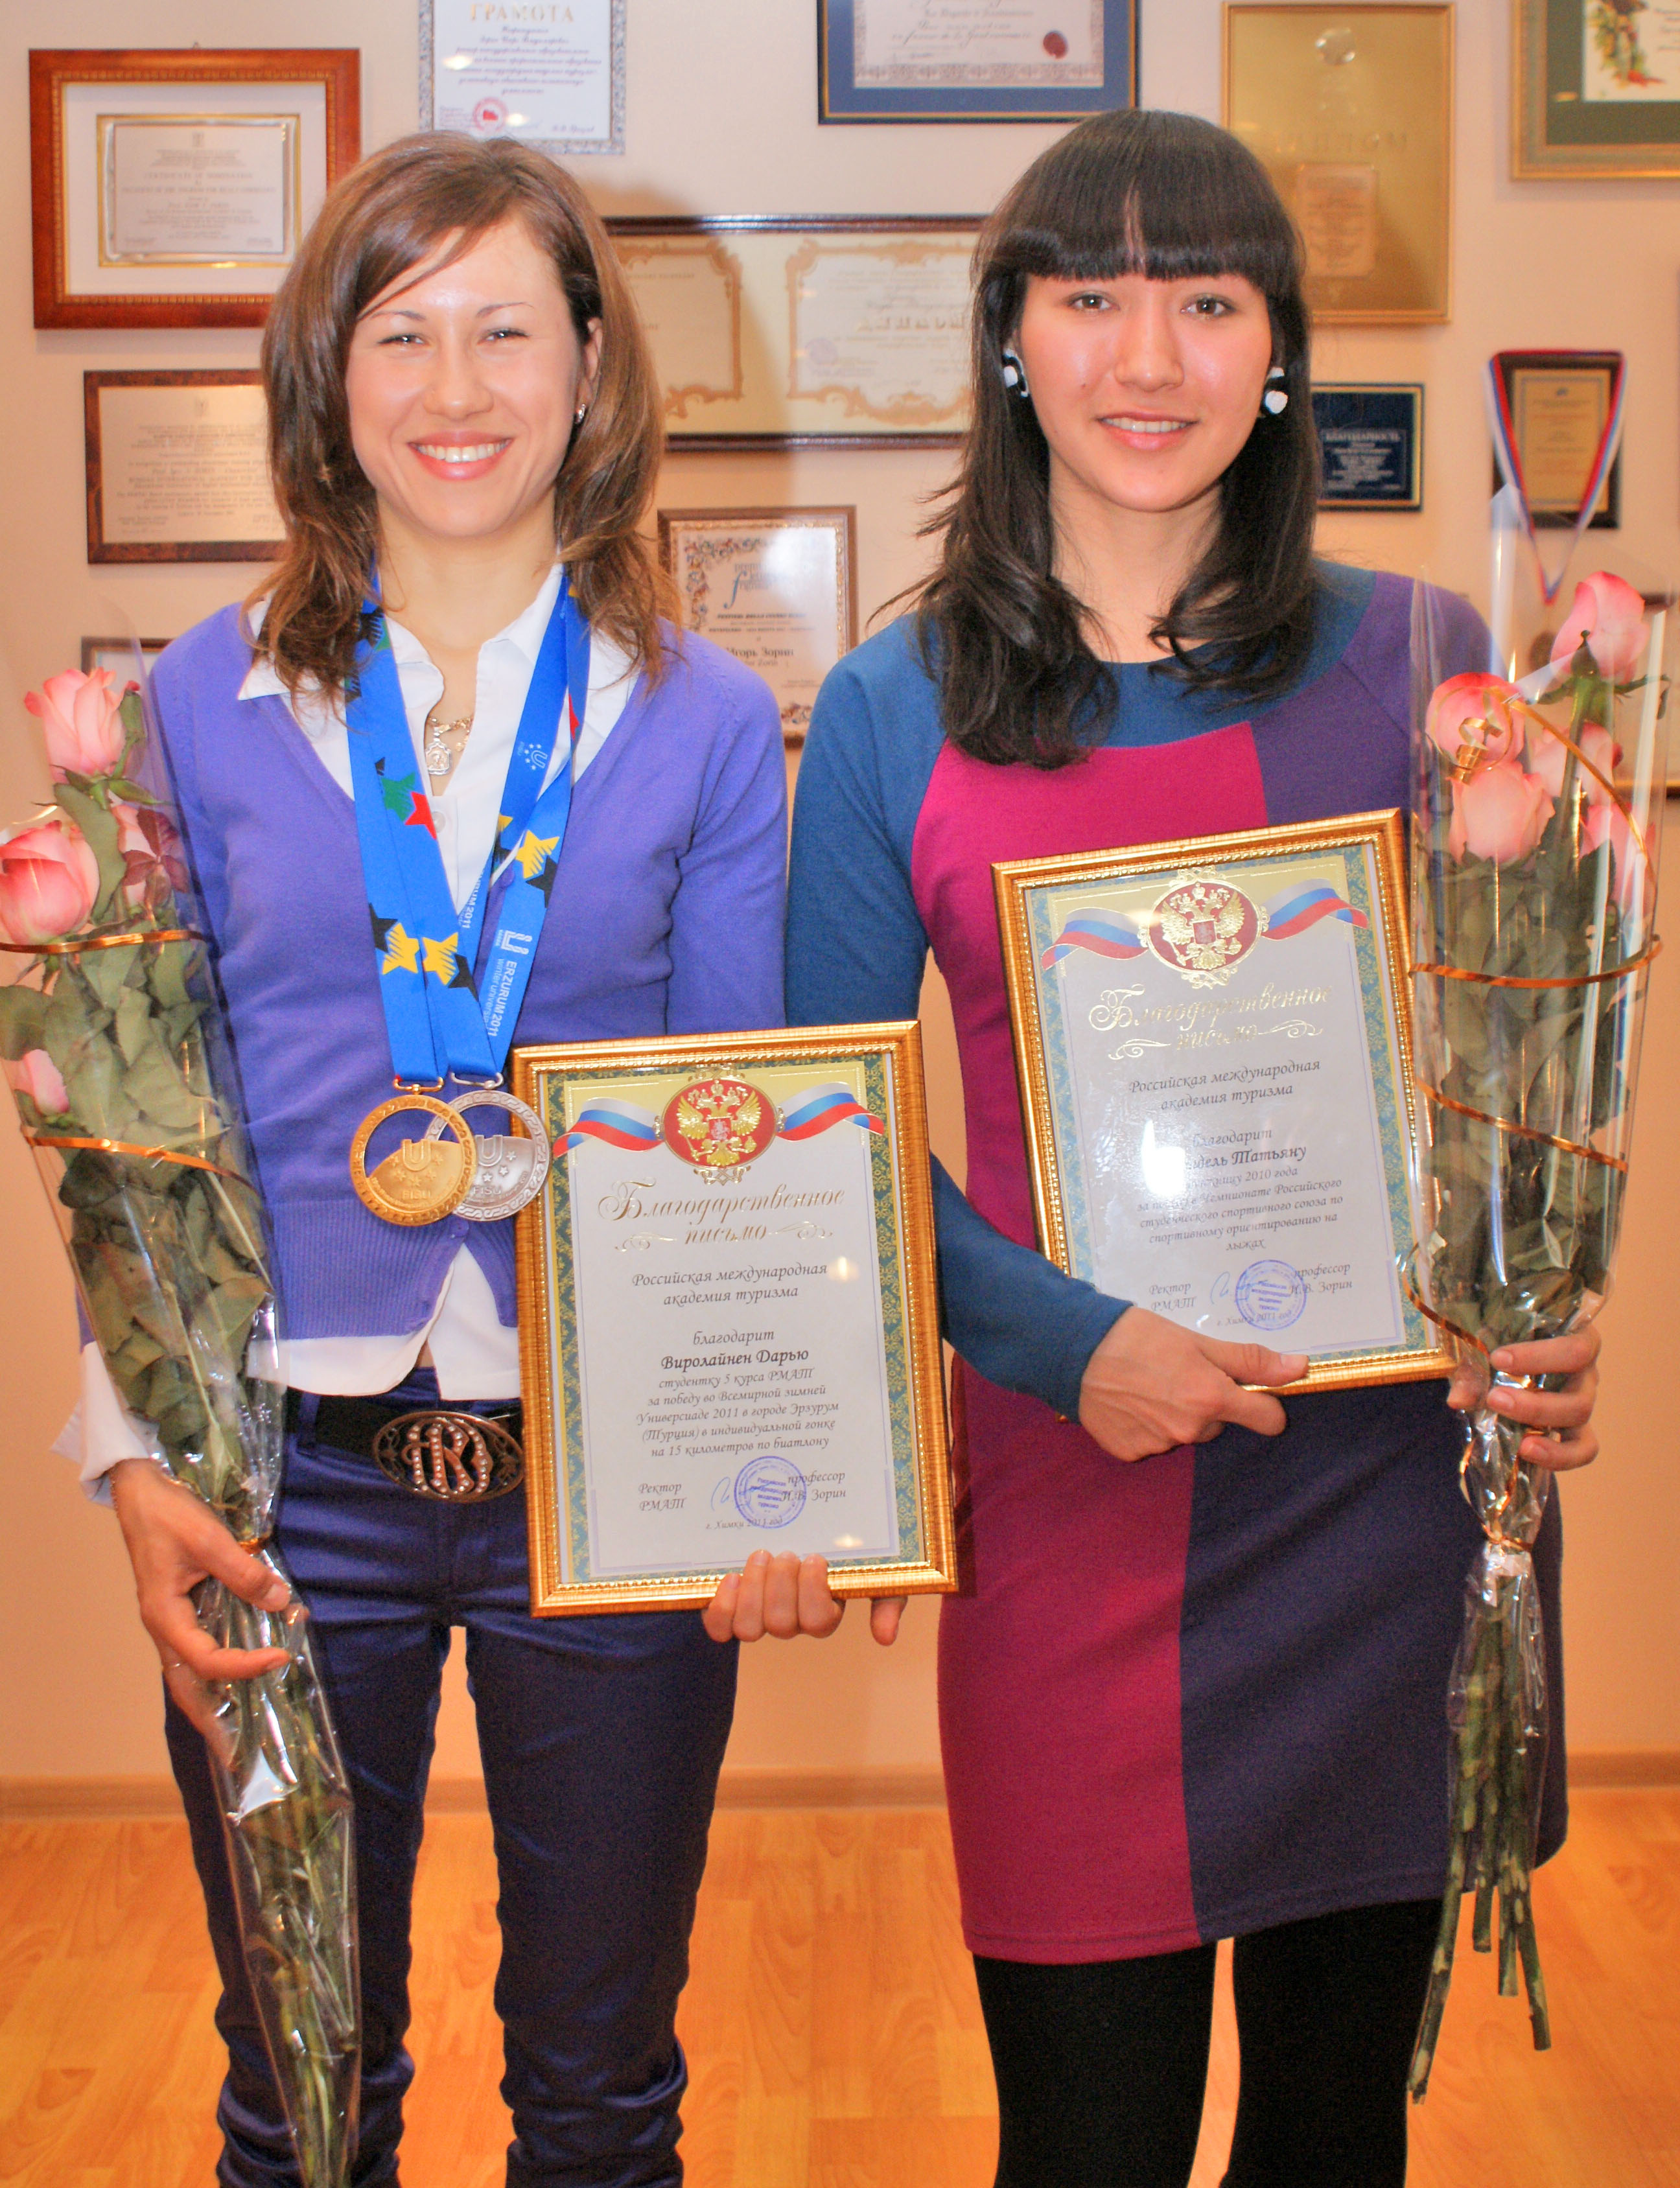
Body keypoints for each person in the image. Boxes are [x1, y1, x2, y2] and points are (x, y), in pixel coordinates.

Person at [771, 109, 1602, 2187]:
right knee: (1088, 2145)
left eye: (1210, 301)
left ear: (1282, 352)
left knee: (1337, 2141)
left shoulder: (1428, 663)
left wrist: (1540, 1299)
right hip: (1076, 1497)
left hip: (1388, 1509)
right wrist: (1076, 1348)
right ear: (1011, 338)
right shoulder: (890, 707)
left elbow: (1514, 1063)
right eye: (1092, 297)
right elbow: (821, 1153)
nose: (1149, 357)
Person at [68, 134, 786, 2187]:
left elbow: (736, 1127)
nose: (455, 389)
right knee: (299, 2088)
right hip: (279, 1487)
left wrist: (781, 1469)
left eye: (505, 331)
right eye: (401, 333)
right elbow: (143, 1121)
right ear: (327, 374)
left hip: (611, 1479)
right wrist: (135, 1459)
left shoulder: (708, 717)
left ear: (591, 366)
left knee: (602, 2097)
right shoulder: (191, 704)